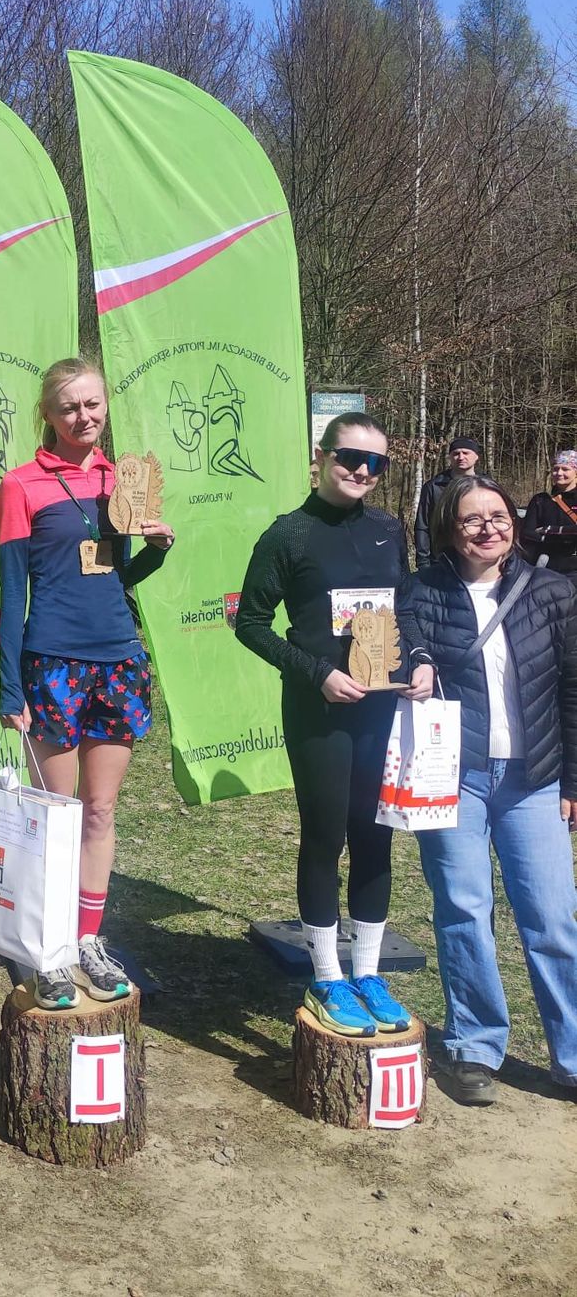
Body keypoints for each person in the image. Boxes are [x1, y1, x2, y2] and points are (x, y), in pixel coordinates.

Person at [235, 413, 431, 1038]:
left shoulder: (388, 529)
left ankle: (367, 973)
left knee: (375, 837)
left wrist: (420, 659)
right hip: (320, 710)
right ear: (320, 457)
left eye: (376, 463)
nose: (362, 471)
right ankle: (326, 976)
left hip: (381, 707)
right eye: (350, 457)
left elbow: (405, 607)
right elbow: (251, 623)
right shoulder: (288, 534)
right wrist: (316, 672)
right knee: (325, 837)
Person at [0, 359, 174, 1010]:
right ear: (48, 414)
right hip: (53, 665)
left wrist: (155, 549)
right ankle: (48, 948)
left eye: (93, 404)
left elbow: (115, 577)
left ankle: (88, 940)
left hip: (119, 661)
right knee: (56, 818)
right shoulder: (21, 485)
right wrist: (9, 688)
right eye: (69, 407)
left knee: (99, 812)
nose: (84, 417)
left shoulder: (121, 480)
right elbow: (12, 593)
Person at [398, 474, 577, 1105]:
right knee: (464, 910)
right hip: (454, 776)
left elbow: (573, 689)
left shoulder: (553, 592)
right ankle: (474, 1046)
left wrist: (573, 780)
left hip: (535, 779)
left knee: (552, 918)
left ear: (515, 523)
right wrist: (414, 662)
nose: (488, 528)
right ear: (450, 528)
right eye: (472, 519)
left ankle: (572, 1054)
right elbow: (401, 644)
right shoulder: (420, 590)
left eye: (498, 516)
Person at [414, 436, 481, 568]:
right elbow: (422, 526)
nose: (461, 457)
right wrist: (423, 562)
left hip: (478, 560)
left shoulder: (487, 487)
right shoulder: (434, 487)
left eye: (466, 453)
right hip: (442, 562)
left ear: (476, 456)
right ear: (450, 457)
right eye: (456, 453)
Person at [519, 449, 577, 578]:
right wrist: (563, 537)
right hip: (547, 568)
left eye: (565, 469)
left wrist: (549, 530)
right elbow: (527, 532)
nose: (559, 473)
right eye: (556, 469)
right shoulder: (541, 500)